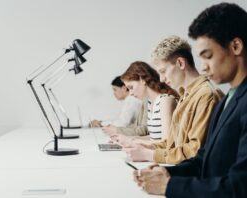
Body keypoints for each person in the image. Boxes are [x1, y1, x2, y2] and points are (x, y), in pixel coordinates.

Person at [134, 3, 247, 197]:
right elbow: (204, 159)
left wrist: (170, 187)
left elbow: (240, 186)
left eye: (208, 56)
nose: (203, 67)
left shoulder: (216, 97)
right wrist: (168, 172)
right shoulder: (228, 99)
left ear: (235, 46)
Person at [126, 35, 223, 163]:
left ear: (180, 63)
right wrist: (147, 147)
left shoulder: (206, 96)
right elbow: (174, 144)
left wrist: (150, 155)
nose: (161, 79)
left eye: (163, 71)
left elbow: (194, 150)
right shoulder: (185, 95)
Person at [103, 61, 178, 144]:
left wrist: (131, 141)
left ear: (142, 80)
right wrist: (125, 139)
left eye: (131, 87)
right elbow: (154, 139)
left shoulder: (165, 100)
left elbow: (166, 143)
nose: (130, 93)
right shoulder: (150, 102)